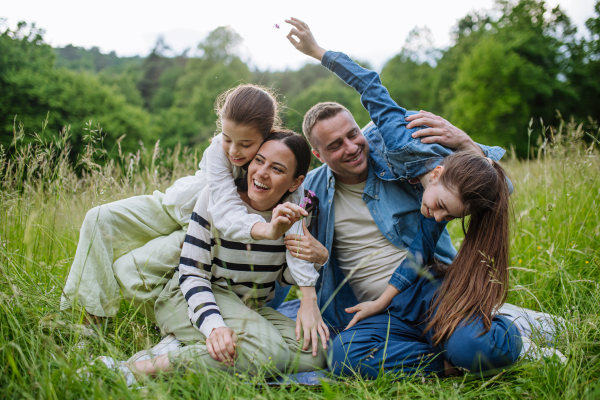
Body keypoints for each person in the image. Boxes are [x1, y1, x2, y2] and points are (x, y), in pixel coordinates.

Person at [281, 18, 523, 377]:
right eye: (335, 145)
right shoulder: (310, 191)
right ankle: (444, 359)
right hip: (373, 310)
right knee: (343, 357)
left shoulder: (399, 154)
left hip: (429, 289)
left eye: (353, 134)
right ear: (318, 155)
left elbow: (497, 190)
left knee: (481, 348)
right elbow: (273, 228)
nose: (351, 148)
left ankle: (477, 335)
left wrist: (466, 145)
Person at [61, 84, 327, 353]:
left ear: (267, 135)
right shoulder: (218, 151)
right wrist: (266, 230)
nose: (233, 151)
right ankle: (87, 322)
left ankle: (183, 326)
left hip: (205, 223)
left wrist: (309, 295)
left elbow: (293, 237)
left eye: (245, 144)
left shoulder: (279, 160)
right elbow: (225, 210)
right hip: (180, 206)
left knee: (142, 267)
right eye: (227, 138)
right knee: (98, 218)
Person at [95, 131, 327, 383]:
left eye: (277, 169)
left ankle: (181, 348)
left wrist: (316, 256)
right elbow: (192, 274)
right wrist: (214, 326)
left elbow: (282, 276)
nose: (261, 172)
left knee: (318, 352)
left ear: (295, 183)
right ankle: (134, 370)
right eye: (259, 161)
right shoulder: (216, 199)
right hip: (189, 297)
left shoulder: (296, 213)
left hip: (248, 308)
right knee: (268, 352)